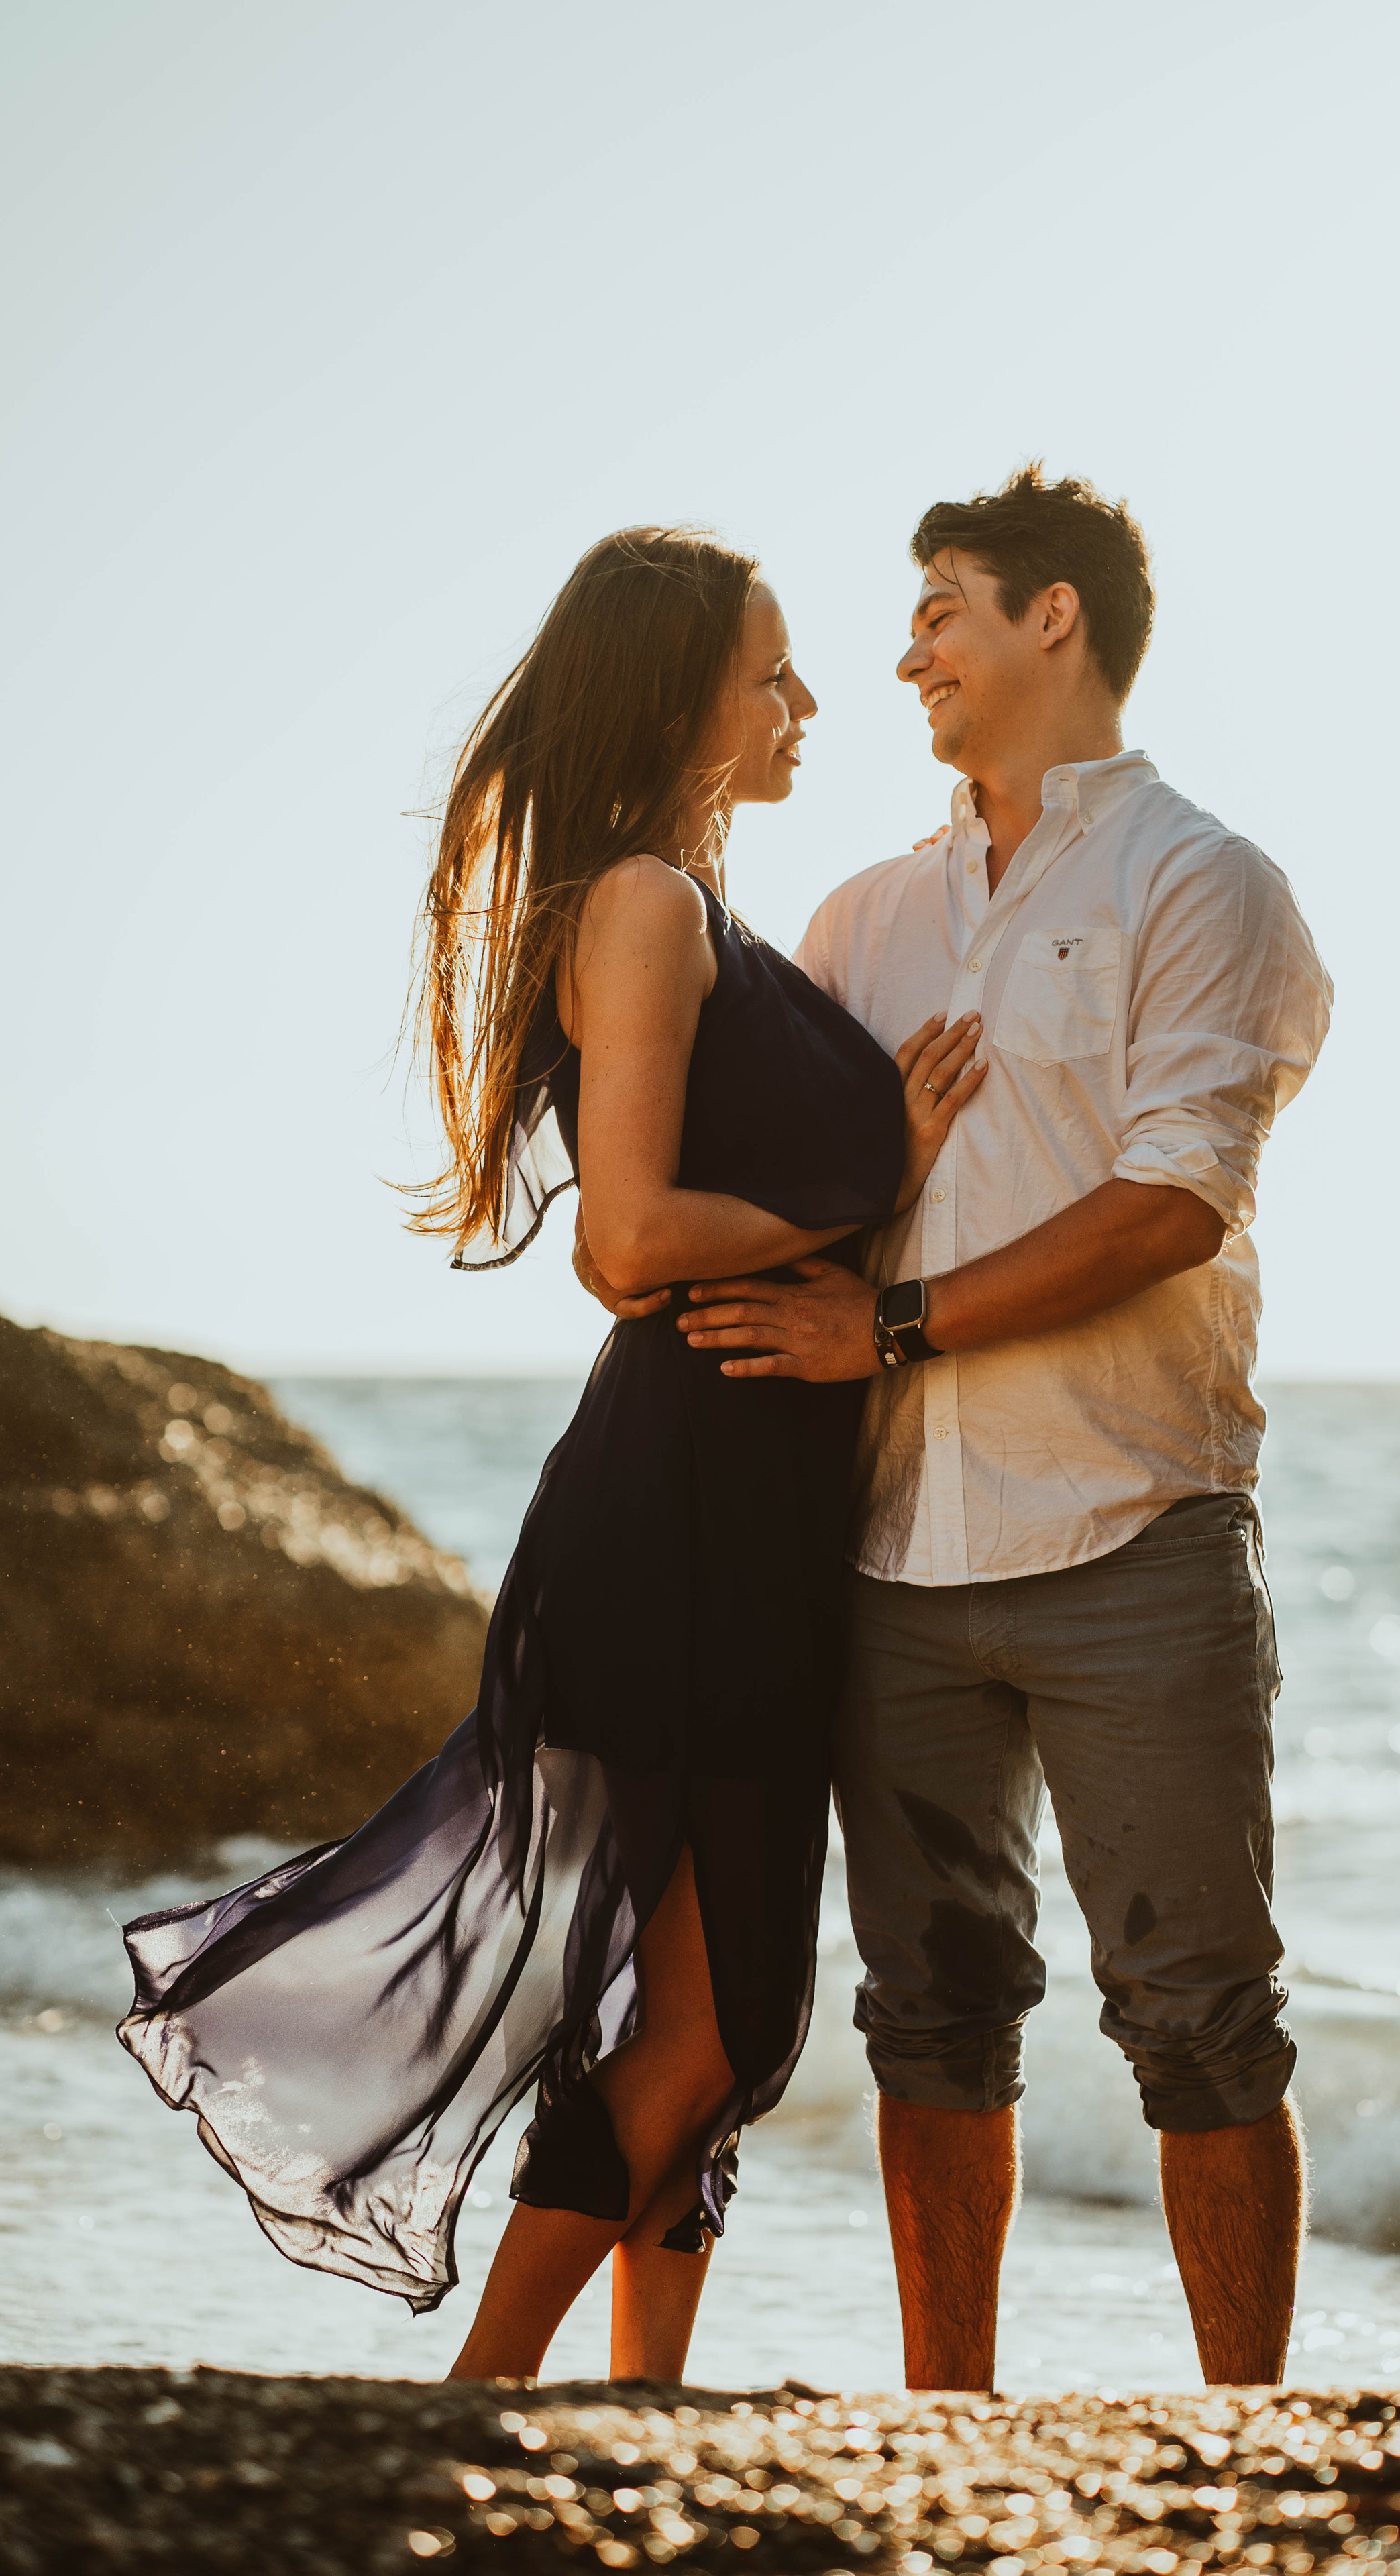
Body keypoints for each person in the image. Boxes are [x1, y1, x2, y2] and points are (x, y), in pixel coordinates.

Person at [117, 525, 985, 2385]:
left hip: (747, 1508)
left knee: (701, 2007)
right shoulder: (647, 906)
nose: (807, 702)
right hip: (685, 1513)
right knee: (722, 2011)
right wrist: (873, 1180)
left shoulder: (693, 905)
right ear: (680, 700)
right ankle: (486, 2393)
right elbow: (629, 1236)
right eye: (770, 672)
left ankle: (643, 2399)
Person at [620, 466, 1334, 2391]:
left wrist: (889, 1326)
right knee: (928, 2021)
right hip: (887, 1558)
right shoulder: (863, 918)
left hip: (1134, 1532)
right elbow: (770, 1188)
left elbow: (1173, 1202)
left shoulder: (1200, 881)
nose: (908, 654)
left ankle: (1249, 2439)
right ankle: (952, 2428)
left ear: (1054, 619)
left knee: (1200, 2020)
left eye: (941, 608)